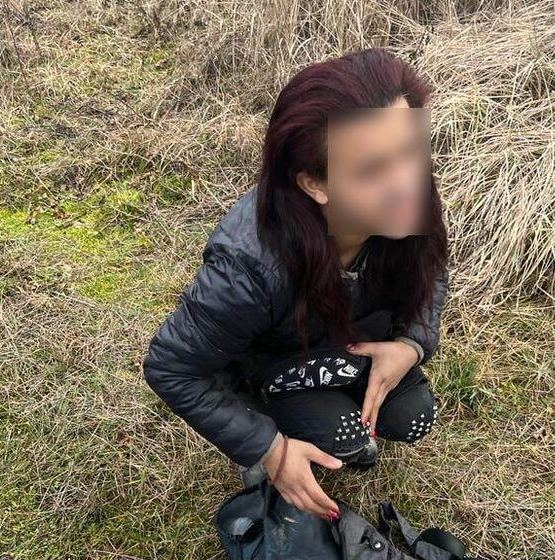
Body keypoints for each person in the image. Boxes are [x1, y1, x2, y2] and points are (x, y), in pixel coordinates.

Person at [142, 47, 449, 523]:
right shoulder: (250, 267)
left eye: (409, 151)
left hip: (349, 343)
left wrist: (410, 344)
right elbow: (171, 368)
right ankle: (278, 415)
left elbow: (431, 271)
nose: (405, 183)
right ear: (314, 185)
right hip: (278, 364)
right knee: (345, 444)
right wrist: (270, 449)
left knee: (414, 416)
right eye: (371, 170)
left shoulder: (406, 199)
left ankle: (338, 403)